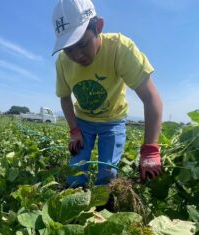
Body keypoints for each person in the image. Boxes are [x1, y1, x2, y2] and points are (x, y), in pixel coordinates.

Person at [52, 0, 163, 187]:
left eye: (83, 44)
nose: (77, 56)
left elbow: (151, 98)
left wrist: (150, 149)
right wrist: (74, 130)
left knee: (108, 172)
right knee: (76, 170)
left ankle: (103, 208)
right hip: (83, 121)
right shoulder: (63, 62)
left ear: (98, 27)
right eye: (69, 49)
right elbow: (65, 97)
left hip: (113, 120)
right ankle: (75, 204)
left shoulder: (120, 48)